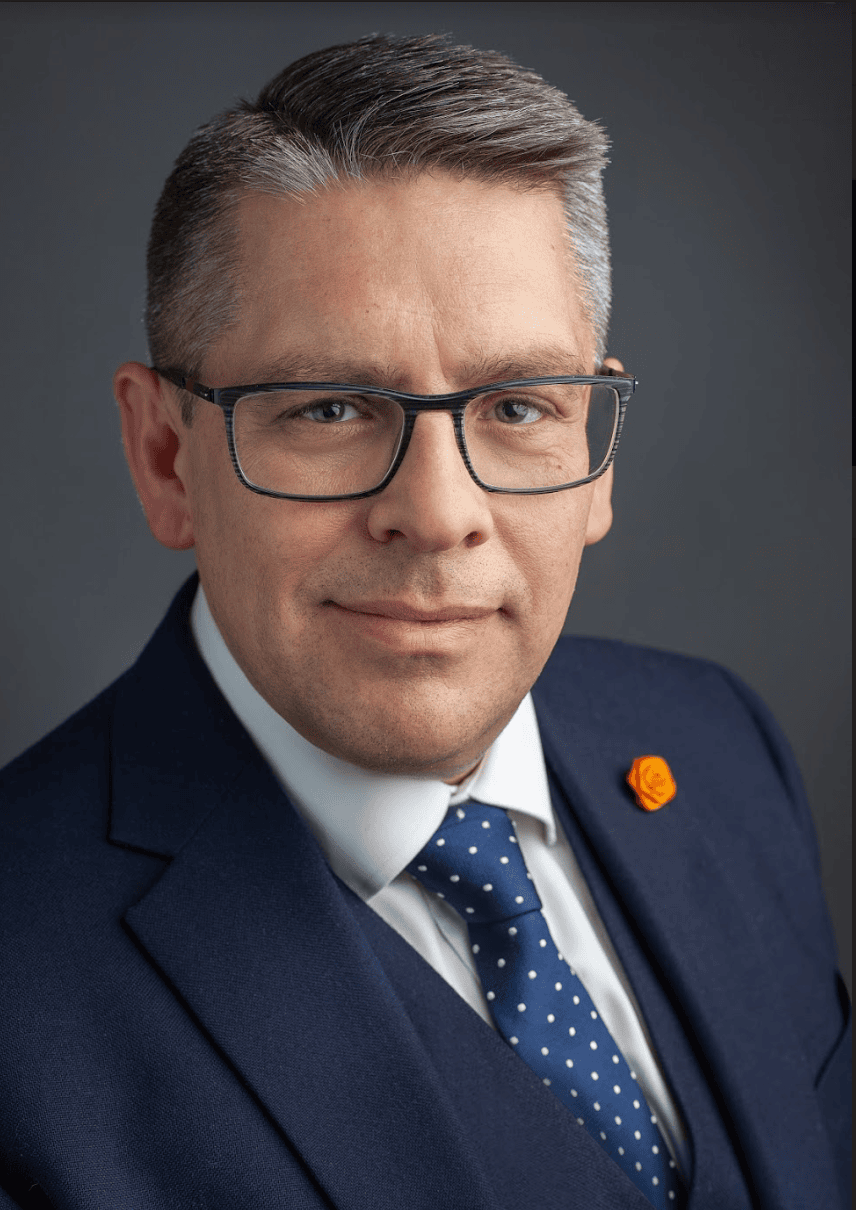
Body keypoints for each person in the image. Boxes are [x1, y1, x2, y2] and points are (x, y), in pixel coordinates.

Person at [0, 32, 849, 1210]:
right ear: (164, 457)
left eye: (516, 405)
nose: (439, 514)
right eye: (332, 407)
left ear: (597, 456)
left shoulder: (719, 748)